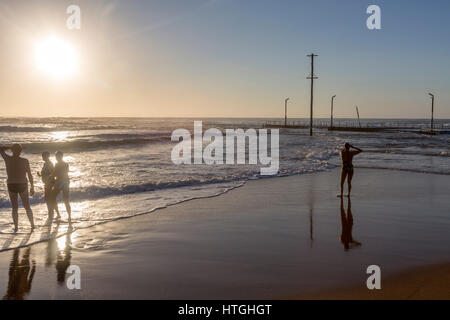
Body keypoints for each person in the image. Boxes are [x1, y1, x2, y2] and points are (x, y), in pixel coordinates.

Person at [0, 144, 35, 232]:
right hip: (22, 184)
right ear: (20, 151)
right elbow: (30, 174)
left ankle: (16, 227)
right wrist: (32, 186)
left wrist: (10, 147)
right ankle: (32, 225)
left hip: (11, 184)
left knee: (14, 207)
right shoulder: (25, 161)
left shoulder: (8, 159)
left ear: (12, 151)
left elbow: (0, 149)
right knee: (27, 206)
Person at [37, 151, 60, 221]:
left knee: (48, 199)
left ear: (47, 156)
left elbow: (53, 173)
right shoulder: (45, 164)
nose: (42, 157)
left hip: (50, 183)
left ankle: (51, 213)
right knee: (51, 199)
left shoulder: (49, 164)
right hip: (47, 183)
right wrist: (40, 175)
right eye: (42, 156)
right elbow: (47, 173)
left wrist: (49, 179)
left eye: (43, 156)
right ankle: (55, 213)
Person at [51, 151, 71, 222]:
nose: (56, 158)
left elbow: (56, 173)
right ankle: (65, 215)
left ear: (61, 156)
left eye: (57, 156)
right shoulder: (63, 164)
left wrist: (53, 179)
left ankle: (65, 215)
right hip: (64, 182)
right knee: (64, 199)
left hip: (62, 182)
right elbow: (55, 173)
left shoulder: (63, 164)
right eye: (56, 156)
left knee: (62, 199)